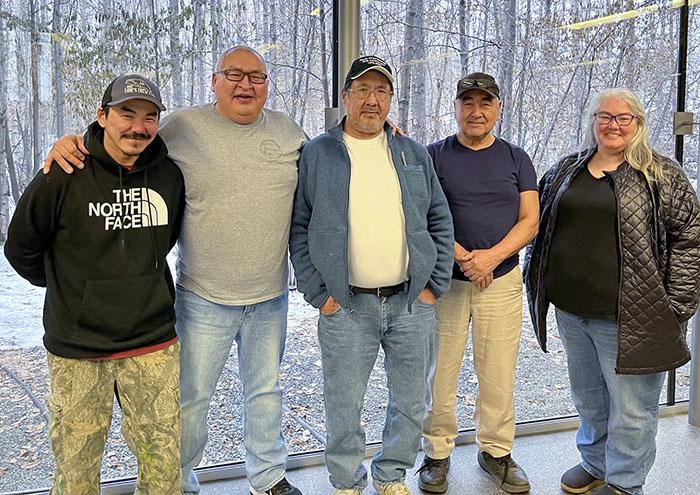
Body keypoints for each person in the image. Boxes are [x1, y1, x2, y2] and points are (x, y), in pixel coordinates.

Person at [42, 46, 306, 495]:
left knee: (265, 395)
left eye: (256, 77)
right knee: (190, 400)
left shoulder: (287, 131)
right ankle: (178, 481)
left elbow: (336, 158)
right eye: (234, 75)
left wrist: (384, 132)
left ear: (267, 84)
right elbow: (126, 140)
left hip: (269, 298)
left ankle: (268, 477)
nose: (246, 85)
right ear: (214, 81)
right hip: (204, 297)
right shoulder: (182, 127)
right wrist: (73, 142)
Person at [5, 74, 185, 494]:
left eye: (149, 117)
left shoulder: (168, 177)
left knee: (163, 466)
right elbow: (20, 247)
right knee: (76, 470)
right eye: (126, 113)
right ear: (102, 116)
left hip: (153, 342)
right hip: (79, 348)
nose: (137, 127)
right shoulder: (63, 173)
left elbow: (165, 240)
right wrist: (72, 289)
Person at [290, 55, 454, 495]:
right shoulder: (318, 153)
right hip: (345, 305)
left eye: (381, 90)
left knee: (410, 401)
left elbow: (438, 217)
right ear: (345, 98)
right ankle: (346, 480)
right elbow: (299, 226)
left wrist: (433, 285)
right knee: (344, 403)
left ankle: (391, 473)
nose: (371, 100)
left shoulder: (411, 152)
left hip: (410, 301)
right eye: (361, 90)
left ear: (390, 100)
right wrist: (318, 292)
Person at [524, 88, 700, 495]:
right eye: (604, 116)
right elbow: (541, 228)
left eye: (624, 118)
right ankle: (596, 462)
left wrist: (677, 304)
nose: (613, 125)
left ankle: (624, 483)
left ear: (638, 124)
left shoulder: (661, 174)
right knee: (590, 399)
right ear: (592, 122)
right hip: (573, 311)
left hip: (635, 316)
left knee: (633, 410)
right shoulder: (567, 169)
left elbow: (690, 237)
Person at [418, 73, 538, 494]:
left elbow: (530, 220)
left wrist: (490, 257)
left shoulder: (515, 158)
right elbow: (421, 214)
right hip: (445, 282)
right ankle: (436, 454)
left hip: (501, 282)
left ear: (498, 109)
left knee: (498, 372)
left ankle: (496, 452)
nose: (476, 111)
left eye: (484, 103)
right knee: (439, 373)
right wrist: (465, 257)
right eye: (467, 102)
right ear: (455, 107)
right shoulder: (433, 156)